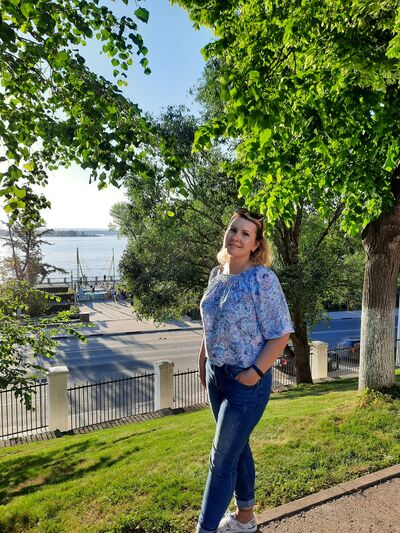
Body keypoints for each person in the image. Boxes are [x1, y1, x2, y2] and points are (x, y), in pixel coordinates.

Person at [197, 209, 293, 533]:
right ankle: (245, 517)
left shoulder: (261, 279)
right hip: (217, 376)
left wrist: (255, 372)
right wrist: (203, 358)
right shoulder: (216, 274)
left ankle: (205, 529)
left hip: (246, 383)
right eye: (233, 229)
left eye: (245, 234)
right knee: (236, 448)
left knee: (221, 459)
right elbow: (211, 321)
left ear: (255, 245)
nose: (236, 237)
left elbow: (281, 333)